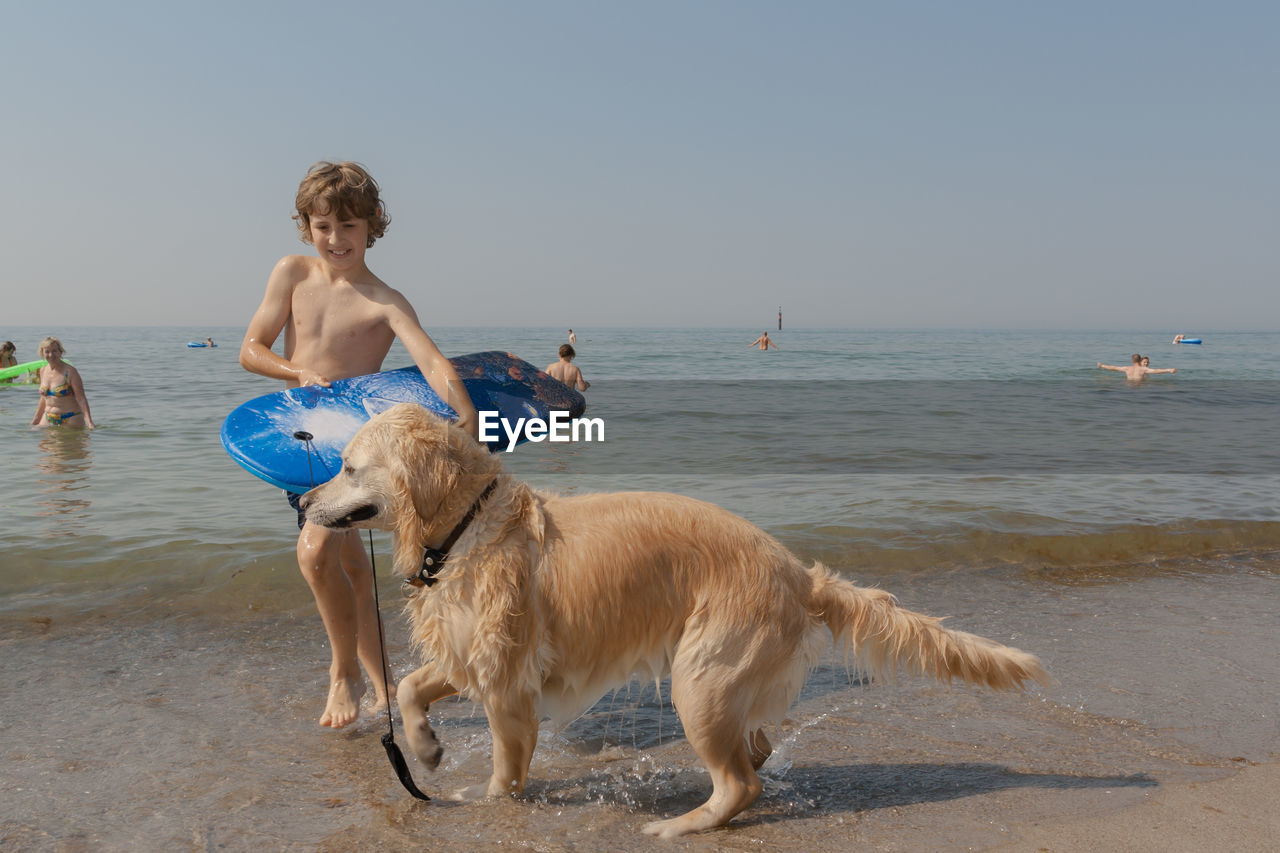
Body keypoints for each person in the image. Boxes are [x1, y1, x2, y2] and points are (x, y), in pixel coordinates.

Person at [239, 160, 480, 729]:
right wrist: (293, 370)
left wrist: (466, 414)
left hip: (352, 453)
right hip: (301, 442)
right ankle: (381, 686)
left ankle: (342, 672)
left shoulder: (383, 300)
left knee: (317, 554)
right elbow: (250, 348)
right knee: (349, 567)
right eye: (323, 227)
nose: (336, 239)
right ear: (306, 227)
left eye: (349, 227)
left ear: (372, 226)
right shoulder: (292, 273)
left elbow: (432, 361)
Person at [30, 337, 95, 428]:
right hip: (48, 417)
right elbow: (43, 399)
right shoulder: (42, 371)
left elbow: (81, 398)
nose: (51, 355)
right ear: (42, 353)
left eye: (54, 351)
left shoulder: (70, 372)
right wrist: (35, 420)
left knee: (64, 442)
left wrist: (89, 423)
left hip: (71, 418)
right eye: (47, 352)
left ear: (61, 352)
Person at [1097, 353, 1176, 381]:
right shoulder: (1143, 369)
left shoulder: (1127, 368)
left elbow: (1114, 368)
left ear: (1132, 361)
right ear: (1140, 361)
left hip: (1128, 386)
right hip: (1139, 387)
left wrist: (1102, 365)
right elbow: (1156, 371)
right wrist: (1168, 370)